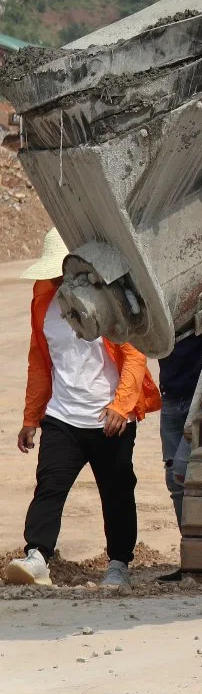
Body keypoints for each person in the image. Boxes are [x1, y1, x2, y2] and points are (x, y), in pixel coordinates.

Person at [3, 229, 161, 591]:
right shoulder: (43, 302)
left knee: (117, 490)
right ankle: (38, 557)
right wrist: (31, 417)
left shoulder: (107, 299)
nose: (55, 280)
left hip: (110, 419)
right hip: (62, 416)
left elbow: (134, 355)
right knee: (49, 486)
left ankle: (119, 563)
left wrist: (121, 407)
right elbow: (40, 363)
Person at [155, 328, 202, 583]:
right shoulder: (168, 305)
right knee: (174, 479)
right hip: (171, 394)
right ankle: (193, 559)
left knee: (183, 471)